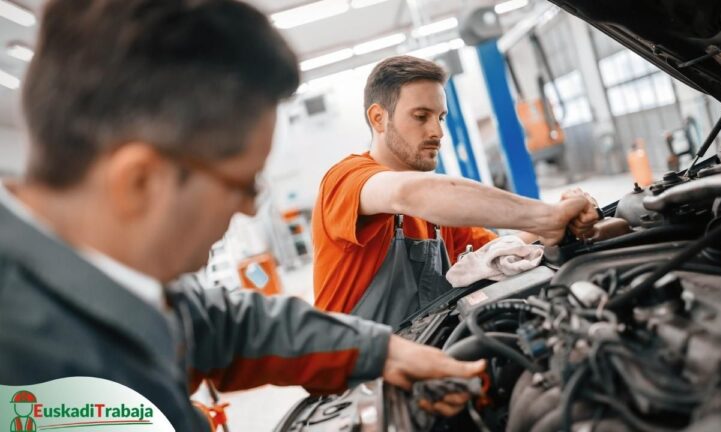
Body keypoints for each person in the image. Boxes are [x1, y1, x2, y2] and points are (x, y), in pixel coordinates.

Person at [0, 1, 486, 430]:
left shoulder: (122, 276)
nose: (251, 207)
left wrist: (383, 350)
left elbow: (224, 322)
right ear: (140, 181)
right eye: (243, 182)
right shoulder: (38, 374)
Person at [312, 55, 599, 326]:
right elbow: (405, 194)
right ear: (378, 118)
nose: (438, 132)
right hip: (354, 373)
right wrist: (545, 216)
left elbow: (492, 253)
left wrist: (563, 217)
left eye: (441, 117)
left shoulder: (437, 211)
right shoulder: (346, 179)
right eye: (421, 116)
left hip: (418, 354)